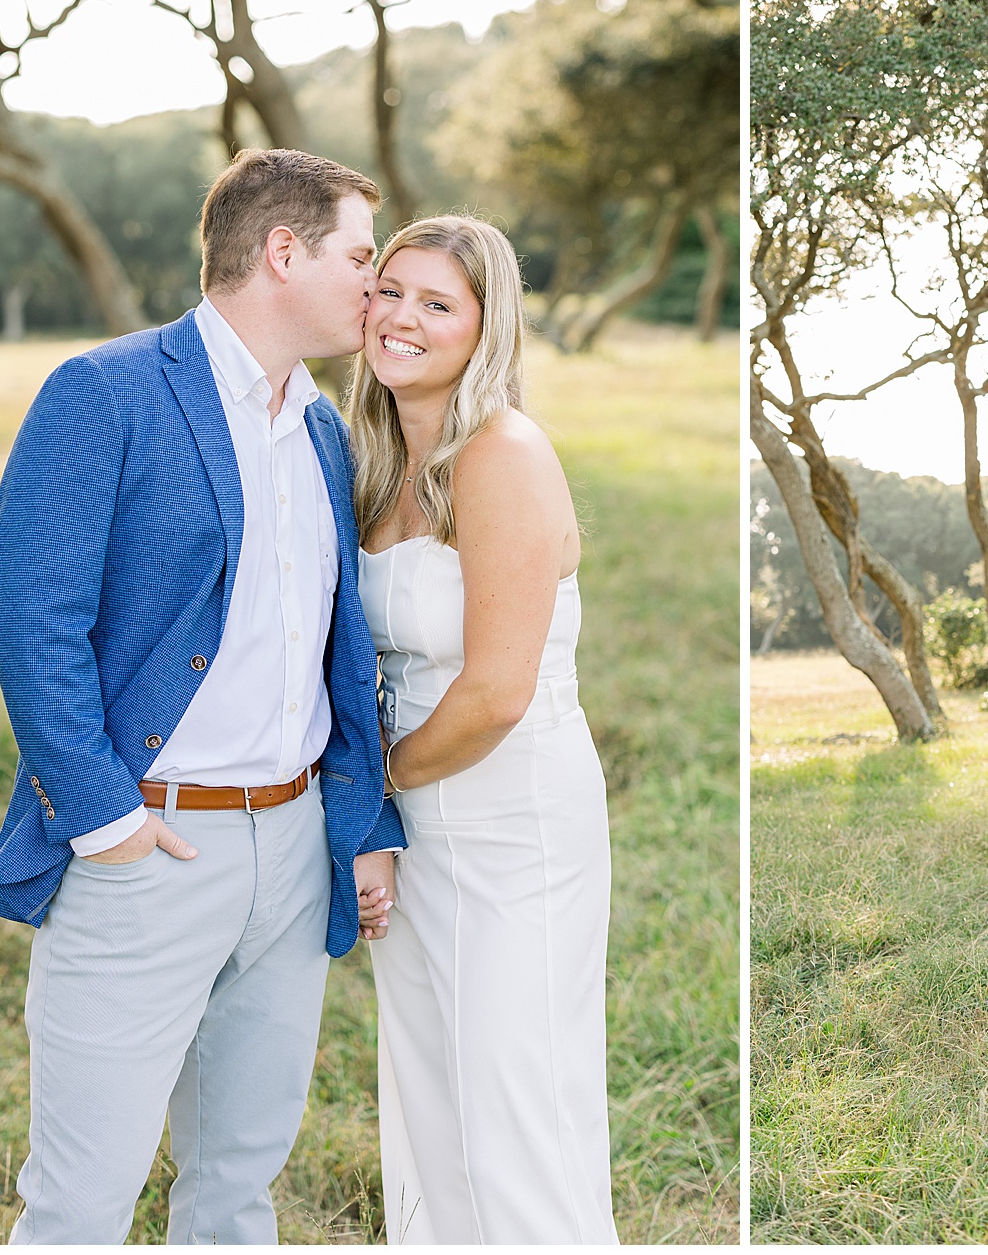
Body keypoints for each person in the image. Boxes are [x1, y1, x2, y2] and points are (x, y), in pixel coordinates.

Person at [0, 148, 406, 1243]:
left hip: (293, 848)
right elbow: (35, 624)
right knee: (81, 1201)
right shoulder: (106, 392)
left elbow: (331, 651)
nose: (377, 283)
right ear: (281, 251)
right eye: (360, 257)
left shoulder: (321, 427)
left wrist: (353, 822)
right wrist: (109, 822)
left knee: (235, 1194)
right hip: (149, 850)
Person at [348, 216, 618, 1244]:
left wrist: (375, 793)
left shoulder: (501, 453)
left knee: (515, 1102)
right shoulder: (376, 458)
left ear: (483, 327)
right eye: (389, 289)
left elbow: (498, 690)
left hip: (509, 818)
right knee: (431, 1093)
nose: (402, 317)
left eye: (437, 303)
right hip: (416, 823)